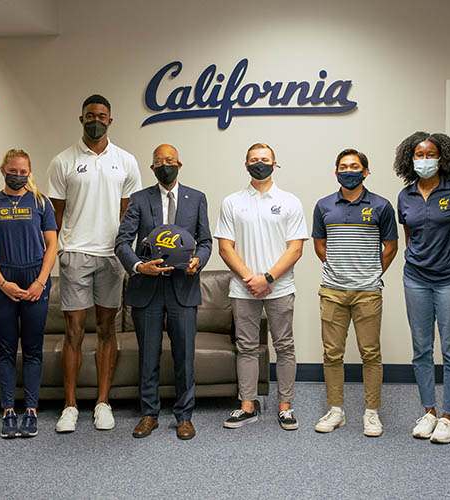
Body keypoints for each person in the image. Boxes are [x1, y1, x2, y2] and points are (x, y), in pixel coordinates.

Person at [48, 94, 142, 432]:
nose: (96, 120)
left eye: (102, 115)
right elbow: (54, 218)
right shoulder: (63, 161)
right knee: (73, 331)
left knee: (106, 330)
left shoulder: (126, 161)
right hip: (74, 254)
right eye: (90, 115)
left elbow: (128, 214)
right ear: (81, 118)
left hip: (111, 256)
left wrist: (124, 252)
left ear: (111, 121)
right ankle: (70, 406)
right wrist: (57, 253)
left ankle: (103, 403)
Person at [115, 144, 212, 440]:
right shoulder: (139, 199)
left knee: (184, 355)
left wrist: (199, 260)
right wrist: (137, 267)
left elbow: (206, 241)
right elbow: (121, 242)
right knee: (149, 356)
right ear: (152, 167)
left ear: (179, 164)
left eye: (169, 160)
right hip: (147, 289)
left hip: (183, 287)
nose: (164, 165)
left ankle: (184, 416)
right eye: (158, 161)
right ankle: (149, 414)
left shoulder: (196, 198)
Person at [214, 143, 307, 430]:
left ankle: (285, 407)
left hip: (279, 287)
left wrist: (266, 278)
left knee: (285, 347)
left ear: (275, 163)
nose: (259, 163)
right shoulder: (232, 202)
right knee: (247, 347)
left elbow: (295, 249)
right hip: (243, 289)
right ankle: (247, 406)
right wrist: (250, 279)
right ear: (246, 165)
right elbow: (225, 248)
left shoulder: (290, 201)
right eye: (254, 160)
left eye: (264, 159)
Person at [394, 132, 450, 444]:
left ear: (443, 159)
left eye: (430, 154)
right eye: (418, 154)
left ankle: (449, 416)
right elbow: (410, 236)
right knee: (421, 349)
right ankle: (429, 411)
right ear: (409, 159)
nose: (424, 160)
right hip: (415, 278)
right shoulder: (406, 196)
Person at [312, 148, 398, 437]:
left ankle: (371, 413)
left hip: (367, 293)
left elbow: (391, 247)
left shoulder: (381, 206)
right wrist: (340, 269)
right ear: (336, 172)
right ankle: (336, 410)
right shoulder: (324, 206)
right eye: (344, 166)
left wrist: (370, 273)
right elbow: (320, 246)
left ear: (366, 171)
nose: (349, 170)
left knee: (371, 353)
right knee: (332, 354)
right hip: (332, 292)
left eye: (355, 166)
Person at [0, 149, 58, 439]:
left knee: (33, 349)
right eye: (14, 170)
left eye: (24, 172)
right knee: (7, 350)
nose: (19, 175)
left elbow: (52, 245)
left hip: (36, 280)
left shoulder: (40, 202)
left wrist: (40, 282)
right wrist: (2, 283)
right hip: (4, 283)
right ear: (3, 170)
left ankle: (31, 411)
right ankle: (9, 411)